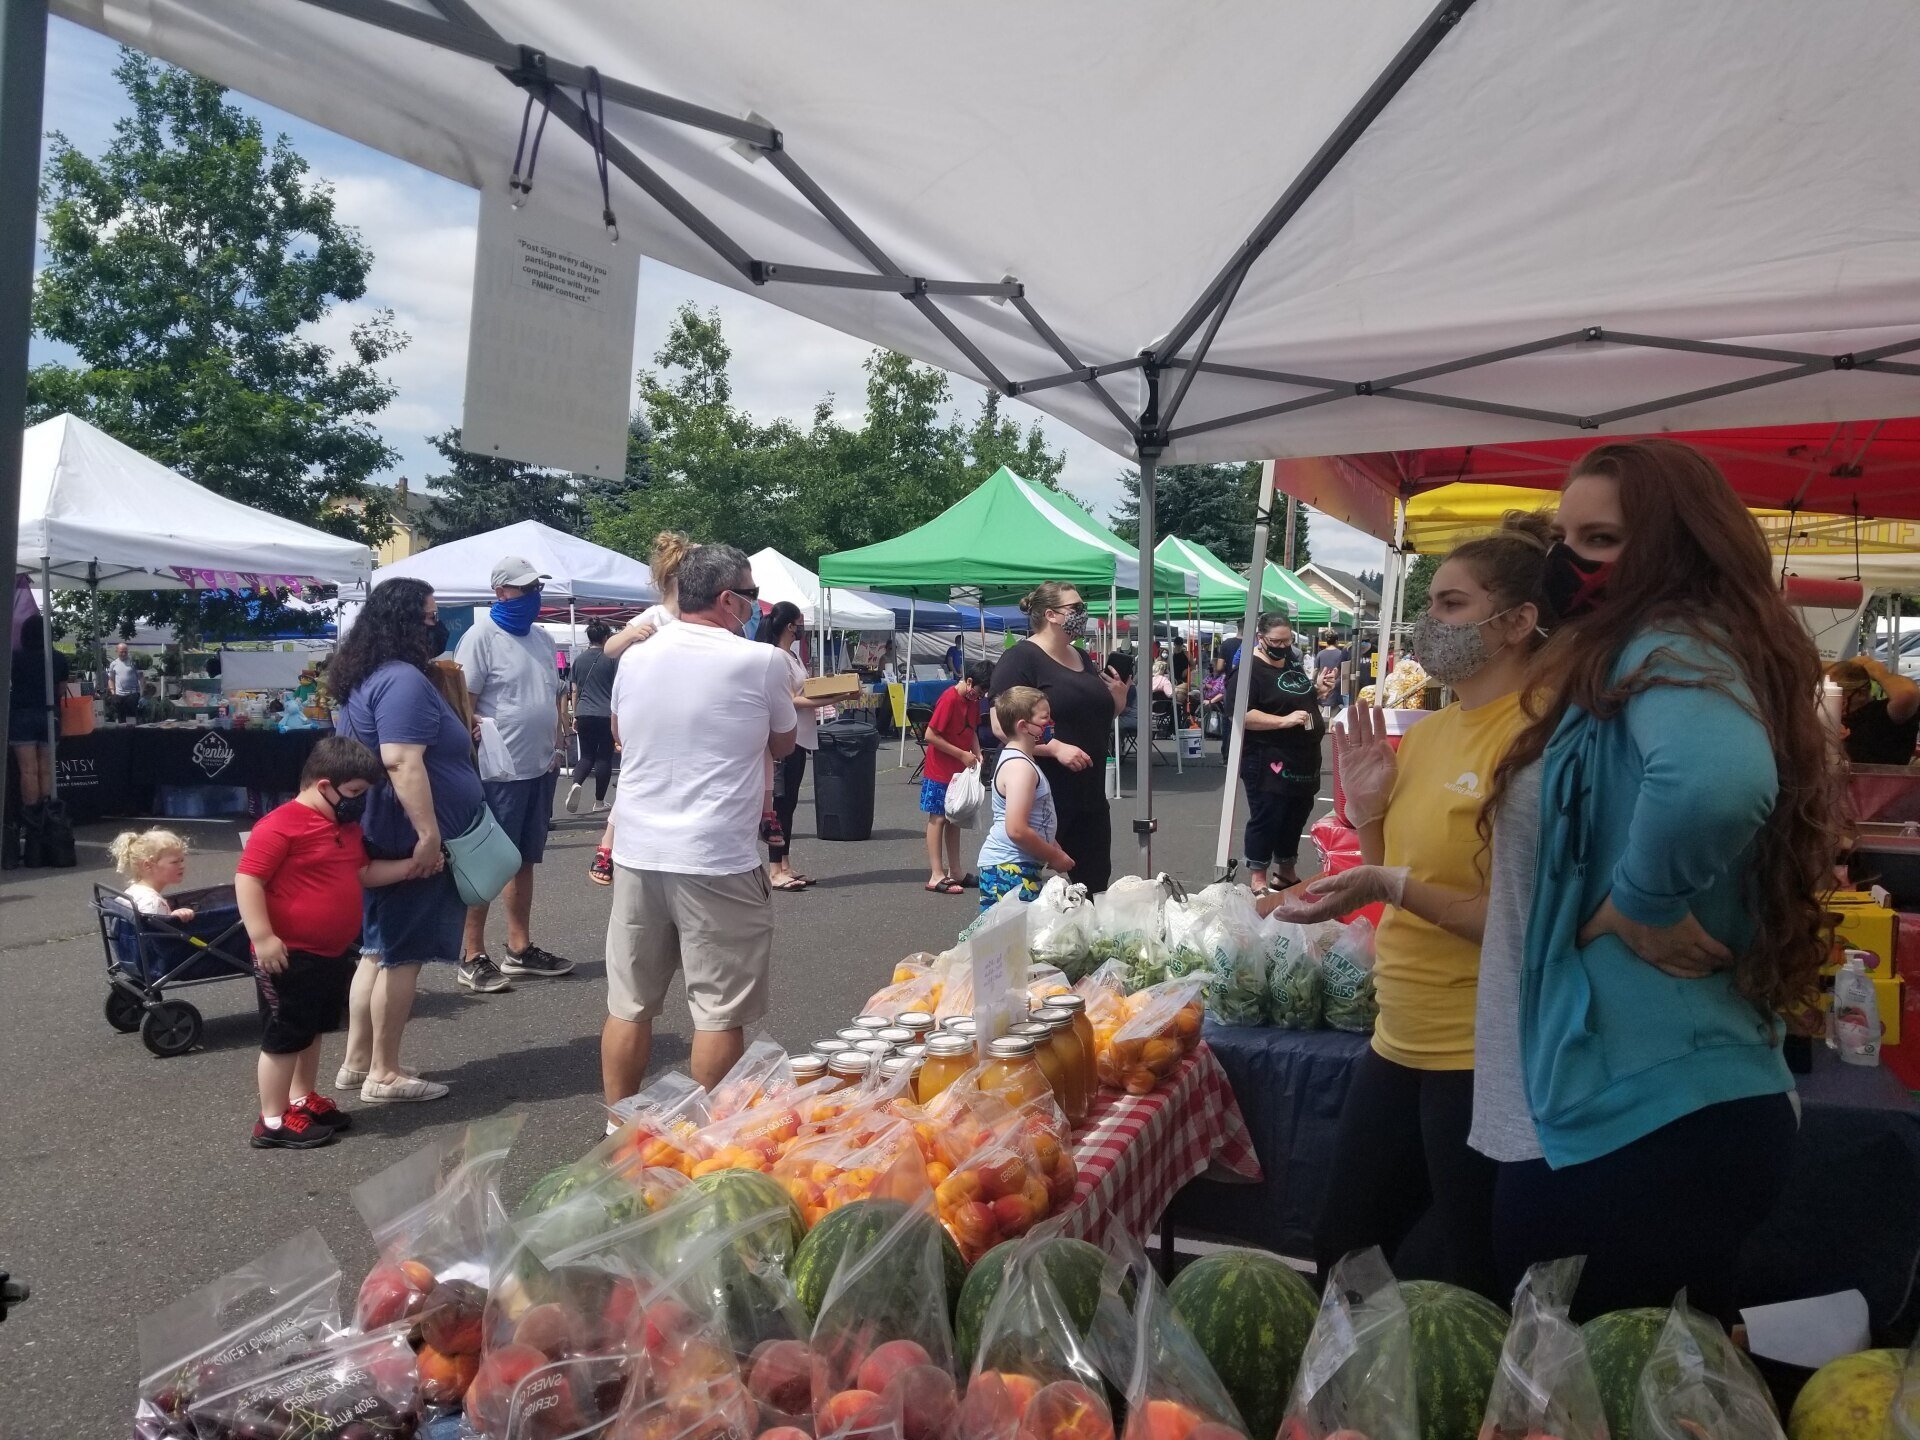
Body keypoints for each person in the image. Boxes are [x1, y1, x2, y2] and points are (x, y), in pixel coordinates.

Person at [1292, 442, 1841, 1320]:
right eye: (1571, 536)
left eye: (1605, 539)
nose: (1573, 564)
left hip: (1641, 1097)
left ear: (1675, 547)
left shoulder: (1661, 641)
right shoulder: (1655, 654)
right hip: (1636, 1090)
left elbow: (1713, 781)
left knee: (1565, 1367)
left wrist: (1640, 904)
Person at [1271, 517, 1550, 1298]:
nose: (1431, 625)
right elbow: (1400, 871)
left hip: (1480, 1048)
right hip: (1399, 1032)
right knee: (1344, 1248)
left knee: (1467, 1274)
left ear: (1520, 621)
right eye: (1429, 604)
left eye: (1453, 606)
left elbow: (1519, 918)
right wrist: (1367, 815)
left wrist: (1387, 885)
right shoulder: (1430, 734)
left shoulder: (1539, 737)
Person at [603, 545, 797, 1098]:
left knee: (630, 1004)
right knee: (716, 1010)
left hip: (639, 849)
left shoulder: (635, 656)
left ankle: (617, 1124)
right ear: (728, 599)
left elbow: (622, 729)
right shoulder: (761, 661)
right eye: (752, 596)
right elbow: (782, 743)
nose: (757, 607)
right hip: (715, 855)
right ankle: (708, 1139)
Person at [332, 576, 481, 1102]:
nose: (433, 625)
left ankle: (358, 1062)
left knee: (376, 950)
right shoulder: (401, 680)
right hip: (402, 828)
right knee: (400, 955)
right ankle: (384, 1072)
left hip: (381, 824)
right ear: (404, 622)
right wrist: (428, 835)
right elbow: (400, 759)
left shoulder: (368, 675)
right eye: (427, 617)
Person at [235, 736, 413, 1149]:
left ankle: (301, 1098)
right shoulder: (280, 825)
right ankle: (273, 1119)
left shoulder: (343, 828)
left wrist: (410, 867)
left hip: (327, 952)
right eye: (353, 793)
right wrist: (263, 936)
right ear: (323, 786)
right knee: (284, 1038)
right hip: (287, 954)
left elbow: (364, 874)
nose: (359, 803)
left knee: (311, 1031)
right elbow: (248, 880)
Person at [455, 555, 572, 984]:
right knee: (487, 862)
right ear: (500, 592)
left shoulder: (541, 638)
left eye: (536, 588)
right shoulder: (481, 636)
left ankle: (519, 948)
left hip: (538, 765)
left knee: (523, 860)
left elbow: (549, 694)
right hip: (498, 771)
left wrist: (558, 742)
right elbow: (463, 702)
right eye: (524, 589)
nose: (533, 596)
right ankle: (471, 953)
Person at [987, 584, 1128, 894]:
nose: (1082, 613)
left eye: (1082, 606)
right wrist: (1053, 747)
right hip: (1044, 796)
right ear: (1051, 615)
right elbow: (1001, 726)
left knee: (1094, 887)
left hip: (1089, 796)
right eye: (1074, 608)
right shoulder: (1021, 659)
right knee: (1026, 893)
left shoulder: (1080, 656)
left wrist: (1117, 701)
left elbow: (1088, 718)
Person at [591, 531, 692, 886]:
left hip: (679, 708)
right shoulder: (656, 615)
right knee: (636, 778)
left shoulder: (695, 619)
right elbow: (609, 649)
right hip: (649, 710)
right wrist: (632, 634)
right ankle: (607, 845)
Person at [1236, 613, 1331, 895]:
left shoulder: (1290, 662)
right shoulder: (1249, 670)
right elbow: (1240, 713)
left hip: (1304, 759)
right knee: (1268, 815)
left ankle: (1286, 873)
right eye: (1276, 641)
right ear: (1261, 639)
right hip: (1269, 758)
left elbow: (1299, 696)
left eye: (1287, 640)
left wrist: (1318, 691)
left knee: (1295, 816)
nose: (1282, 646)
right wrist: (1283, 721)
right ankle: (1258, 878)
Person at [976, 686, 1074, 910]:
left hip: (1017, 864)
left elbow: (1034, 817)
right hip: (1010, 867)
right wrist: (1054, 856)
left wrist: (1053, 846)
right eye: (1045, 718)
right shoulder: (1020, 768)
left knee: (1014, 936)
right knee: (1011, 938)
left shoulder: (1021, 759)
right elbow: (1017, 829)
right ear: (1023, 726)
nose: (1050, 723)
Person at [759, 601, 829, 891]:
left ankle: (785, 864)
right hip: (785, 736)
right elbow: (791, 698)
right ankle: (775, 868)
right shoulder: (776, 656)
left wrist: (828, 690)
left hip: (801, 735)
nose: (802, 627)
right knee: (780, 803)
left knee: (789, 804)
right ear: (790, 625)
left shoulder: (791, 656)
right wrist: (831, 699)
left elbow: (804, 689)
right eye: (799, 622)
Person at [920, 661, 991, 894]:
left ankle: (956, 871)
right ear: (969, 682)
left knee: (954, 818)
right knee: (938, 818)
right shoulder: (949, 698)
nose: (980, 696)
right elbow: (930, 735)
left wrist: (977, 752)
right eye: (980, 691)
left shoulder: (972, 701)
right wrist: (962, 754)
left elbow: (971, 731)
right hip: (940, 768)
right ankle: (936, 874)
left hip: (958, 770)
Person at [9, 614, 68, 814]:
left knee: (28, 770)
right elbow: (61, 690)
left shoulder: (14, 657)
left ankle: (31, 817)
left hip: (22, 715)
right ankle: (47, 815)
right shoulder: (58, 658)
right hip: (49, 715)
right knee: (46, 769)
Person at [1830, 655, 1920, 766]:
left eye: (1839, 697)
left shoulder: (1882, 716)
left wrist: (1879, 673)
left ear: (1860, 694)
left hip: (1879, 780)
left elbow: (1908, 693)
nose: (1831, 701)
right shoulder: (1830, 714)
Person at [566, 621, 618, 813]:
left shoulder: (579, 660)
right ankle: (599, 802)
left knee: (586, 755)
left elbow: (574, 689)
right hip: (606, 712)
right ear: (606, 638)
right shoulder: (612, 658)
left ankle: (576, 783)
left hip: (584, 711)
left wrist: (576, 715)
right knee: (604, 757)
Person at [108, 827, 195, 921]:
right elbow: (161, 934)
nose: (182, 866)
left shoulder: (131, 892)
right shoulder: (153, 904)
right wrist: (173, 918)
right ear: (148, 865)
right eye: (175, 862)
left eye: (182, 860)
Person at [107, 642, 141, 723]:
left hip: (132, 693)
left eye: (125, 651)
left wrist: (141, 692)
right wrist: (113, 692)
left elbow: (141, 677)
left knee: (131, 716)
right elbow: (111, 679)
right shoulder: (113, 664)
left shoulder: (133, 663)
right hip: (119, 695)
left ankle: (132, 733)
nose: (124, 653)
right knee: (121, 716)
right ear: (117, 651)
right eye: (121, 651)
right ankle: (122, 733)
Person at [1314, 635, 1348, 711]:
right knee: (1334, 710)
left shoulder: (1320, 653)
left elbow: (1316, 669)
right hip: (1336, 683)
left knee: (1322, 706)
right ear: (1336, 642)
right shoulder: (1340, 653)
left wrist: (1314, 681)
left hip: (1323, 682)